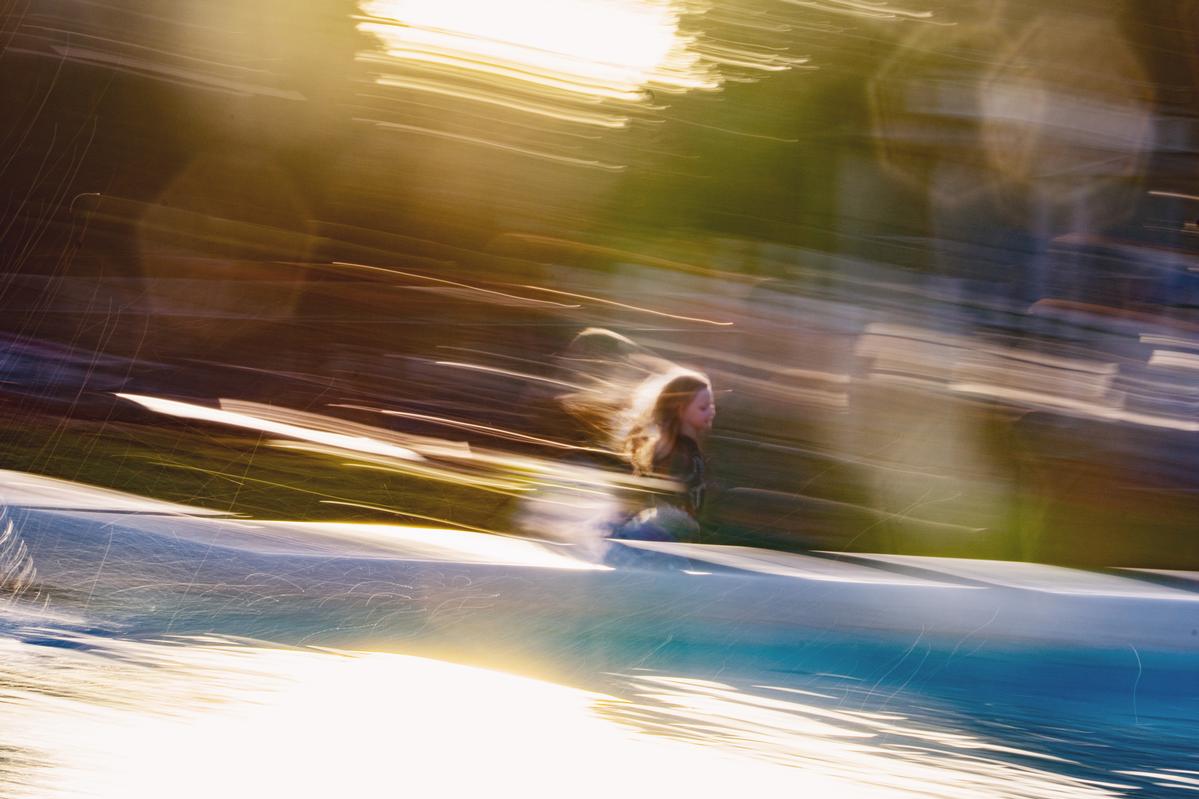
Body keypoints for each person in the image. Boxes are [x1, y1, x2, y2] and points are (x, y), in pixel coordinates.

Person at [612, 370, 716, 541]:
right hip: (661, 537)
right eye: (703, 408)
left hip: (668, 535)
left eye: (711, 406)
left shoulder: (686, 450)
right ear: (681, 410)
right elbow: (669, 506)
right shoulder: (678, 455)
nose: (711, 412)